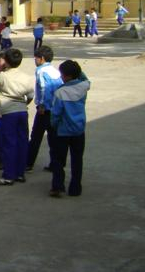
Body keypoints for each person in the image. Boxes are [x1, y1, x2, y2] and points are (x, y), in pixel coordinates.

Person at [0, 48, 34, 186]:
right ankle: (20, 173)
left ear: (6, 61)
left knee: (9, 143)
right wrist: (23, 103)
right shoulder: (27, 77)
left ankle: (8, 175)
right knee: (22, 142)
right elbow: (30, 95)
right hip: (22, 111)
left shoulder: (2, 76)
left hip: (8, 112)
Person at [50, 60, 90, 197]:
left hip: (63, 130)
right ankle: (75, 188)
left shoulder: (60, 92)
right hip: (79, 129)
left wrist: (54, 125)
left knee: (58, 160)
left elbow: (56, 113)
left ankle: (58, 186)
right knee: (77, 159)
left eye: (62, 74)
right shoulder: (83, 87)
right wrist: (78, 71)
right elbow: (85, 78)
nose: (61, 77)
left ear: (67, 76)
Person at [27, 46, 64, 172]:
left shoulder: (41, 71)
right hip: (55, 108)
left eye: (36, 58)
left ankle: (28, 163)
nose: (35, 60)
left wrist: (42, 104)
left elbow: (43, 88)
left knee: (36, 137)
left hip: (45, 110)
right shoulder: (55, 71)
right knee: (53, 139)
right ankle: (54, 163)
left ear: (41, 59)